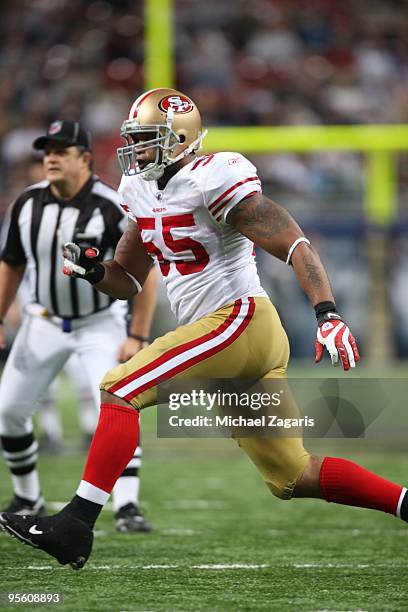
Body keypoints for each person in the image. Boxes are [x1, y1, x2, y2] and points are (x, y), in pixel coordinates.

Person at [1, 89, 407, 569]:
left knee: (118, 388)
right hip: (223, 337)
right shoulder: (137, 190)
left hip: (238, 320)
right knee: (293, 476)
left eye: (146, 140)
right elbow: (128, 279)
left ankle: (75, 524)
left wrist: (327, 313)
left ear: (178, 139)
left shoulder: (213, 175)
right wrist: (94, 269)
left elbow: (293, 240)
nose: (136, 150)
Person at [0, 120, 158, 532]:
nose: (51, 157)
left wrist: (137, 334)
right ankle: (27, 494)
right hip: (43, 320)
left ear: (84, 158)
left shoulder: (111, 205)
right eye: (47, 150)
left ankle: (127, 506)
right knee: (8, 412)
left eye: (62, 150)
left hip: (99, 322)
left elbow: (144, 272)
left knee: (117, 407)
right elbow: (11, 264)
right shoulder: (27, 203)